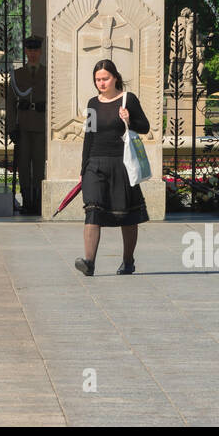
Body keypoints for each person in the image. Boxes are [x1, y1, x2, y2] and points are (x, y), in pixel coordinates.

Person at [75, 59, 150, 276]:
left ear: (115, 77)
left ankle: (128, 261)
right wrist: (83, 169)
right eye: (98, 79)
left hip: (122, 163)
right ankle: (89, 262)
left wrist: (130, 119)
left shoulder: (128, 99)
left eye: (105, 78)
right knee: (92, 209)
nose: (101, 83)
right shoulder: (92, 103)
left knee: (127, 213)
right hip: (95, 164)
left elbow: (144, 126)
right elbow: (88, 137)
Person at [5, 35, 47, 215]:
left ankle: (38, 201)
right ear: (26, 51)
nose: (33, 54)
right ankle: (27, 201)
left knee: (38, 164)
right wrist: (11, 128)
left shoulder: (48, 72)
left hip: (40, 125)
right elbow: (10, 103)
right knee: (23, 165)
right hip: (22, 125)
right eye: (30, 50)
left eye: (36, 50)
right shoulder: (18, 74)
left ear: (40, 51)